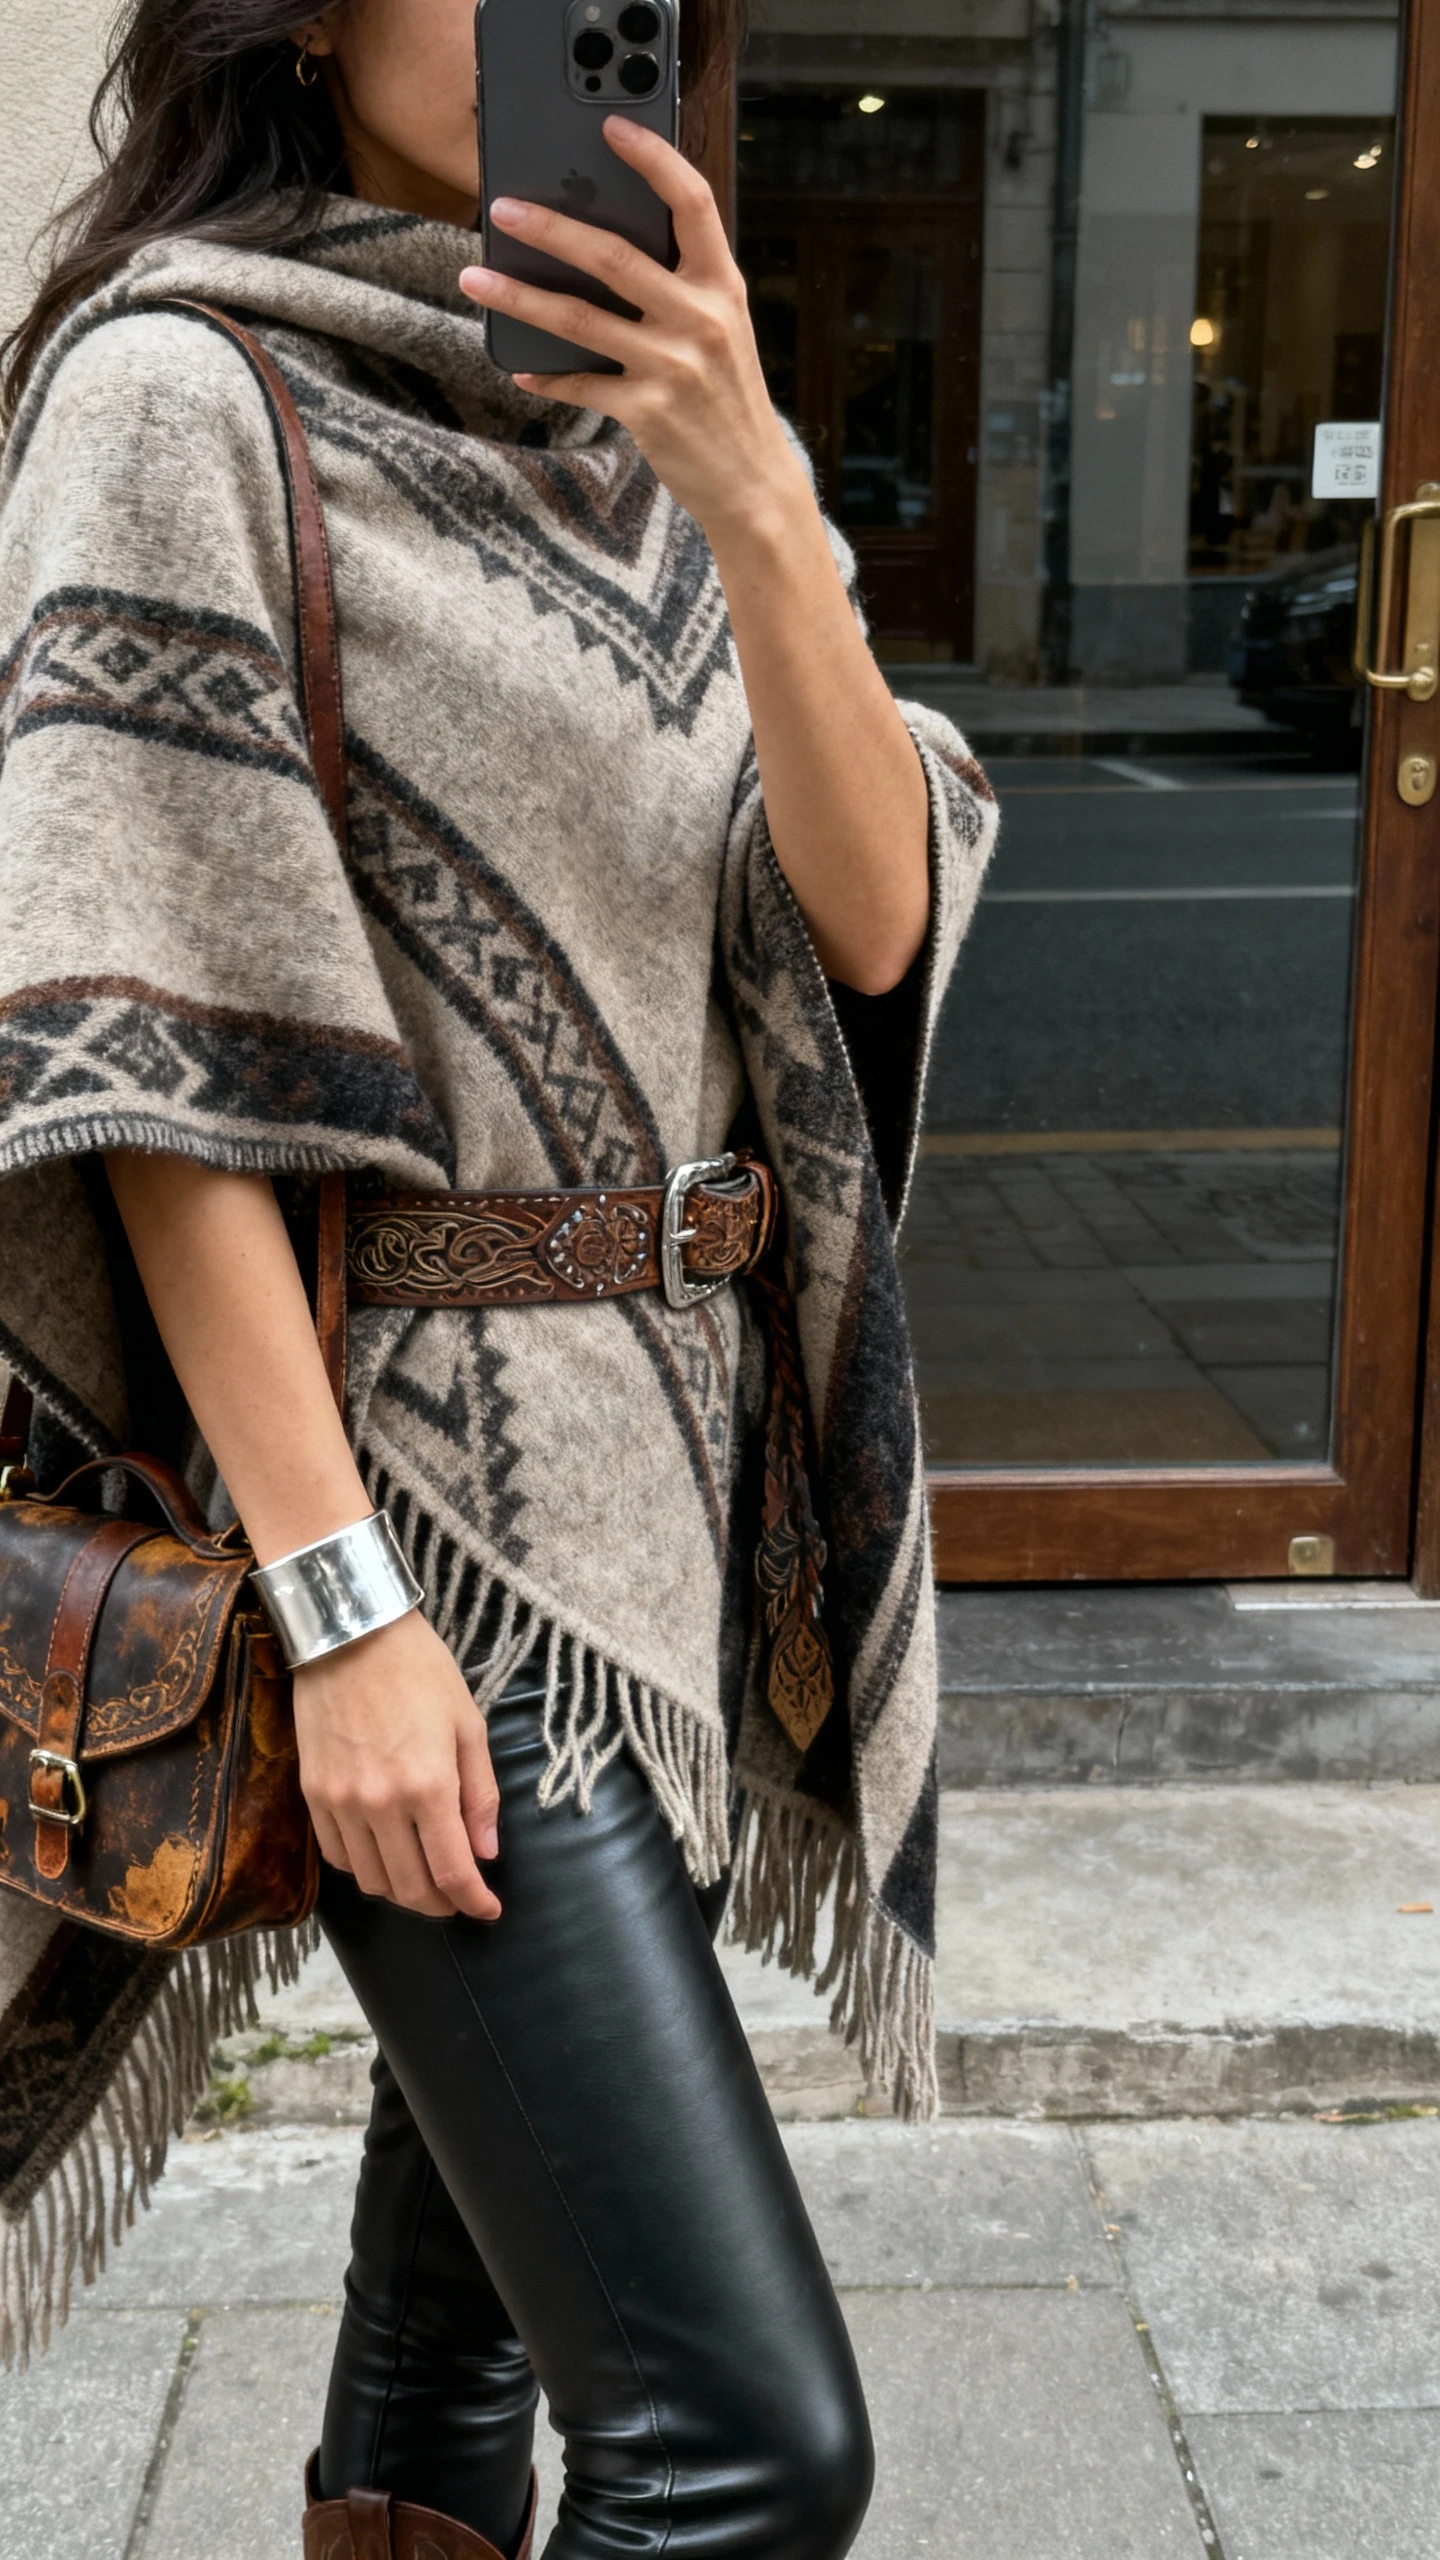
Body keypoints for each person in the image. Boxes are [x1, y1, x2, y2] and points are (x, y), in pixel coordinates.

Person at [0, 3, 998, 2552]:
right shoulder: (176, 388)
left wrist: (763, 502)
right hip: (413, 1524)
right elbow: (154, 1070)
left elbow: (865, 917)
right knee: (747, 2450)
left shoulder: (649, 416)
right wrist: (342, 1610)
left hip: (658, 1519)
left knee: (460, 2331)